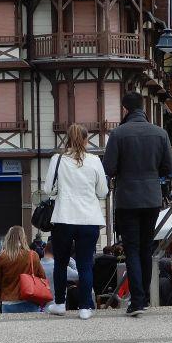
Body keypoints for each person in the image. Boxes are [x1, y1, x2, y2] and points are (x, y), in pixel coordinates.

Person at [103, 91, 172, 316]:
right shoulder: (160, 134)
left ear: (125, 109)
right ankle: (143, 297)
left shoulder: (118, 134)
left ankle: (137, 299)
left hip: (127, 199)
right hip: (151, 198)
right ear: (143, 108)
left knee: (132, 249)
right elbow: (168, 169)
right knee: (146, 248)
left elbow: (108, 169)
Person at [43, 123, 109, 321]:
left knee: (61, 263)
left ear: (67, 139)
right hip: (89, 219)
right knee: (85, 264)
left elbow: (48, 190)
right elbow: (103, 192)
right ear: (86, 139)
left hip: (64, 218)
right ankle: (85, 307)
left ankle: (60, 304)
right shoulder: (95, 160)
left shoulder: (58, 159)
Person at [0, 225, 46, 313]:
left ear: (8, 238)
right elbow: (42, 277)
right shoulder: (33, 255)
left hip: (8, 301)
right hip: (30, 300)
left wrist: (1, 296)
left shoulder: (2, 256)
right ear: (23, 238)